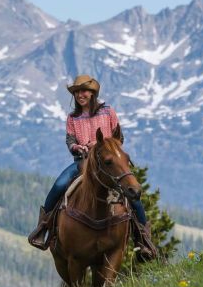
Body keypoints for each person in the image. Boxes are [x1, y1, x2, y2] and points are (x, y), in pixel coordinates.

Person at [27, 74, 156, 257]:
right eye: (77, 92)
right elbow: (70, 140)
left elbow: (119, 137)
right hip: (83, 163)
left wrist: (99, 146)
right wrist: (76, 147)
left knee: (131, 193)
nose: (80, 95)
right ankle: (44, 228)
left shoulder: (108, 111)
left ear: (92, 93)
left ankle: (143, 239)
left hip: (108, 163)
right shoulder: (73, 118)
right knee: (59, 185)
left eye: (84, 91)